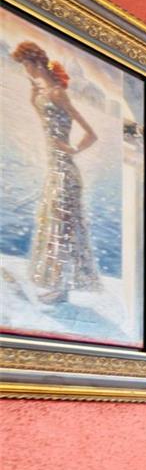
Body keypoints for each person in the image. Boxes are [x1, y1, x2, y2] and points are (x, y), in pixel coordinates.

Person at [11, 40, 99, 304]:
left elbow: (91, 134)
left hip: (66, 171)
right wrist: (33, 95)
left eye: (26, 64)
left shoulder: (59, 93)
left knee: (63, 229)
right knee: (53, 226)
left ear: (36, 63)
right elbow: (45, 122)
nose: (26, 70)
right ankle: (57, 285)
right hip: (54, 169)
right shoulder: (40, 93)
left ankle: (62, 289)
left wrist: (72, 150)